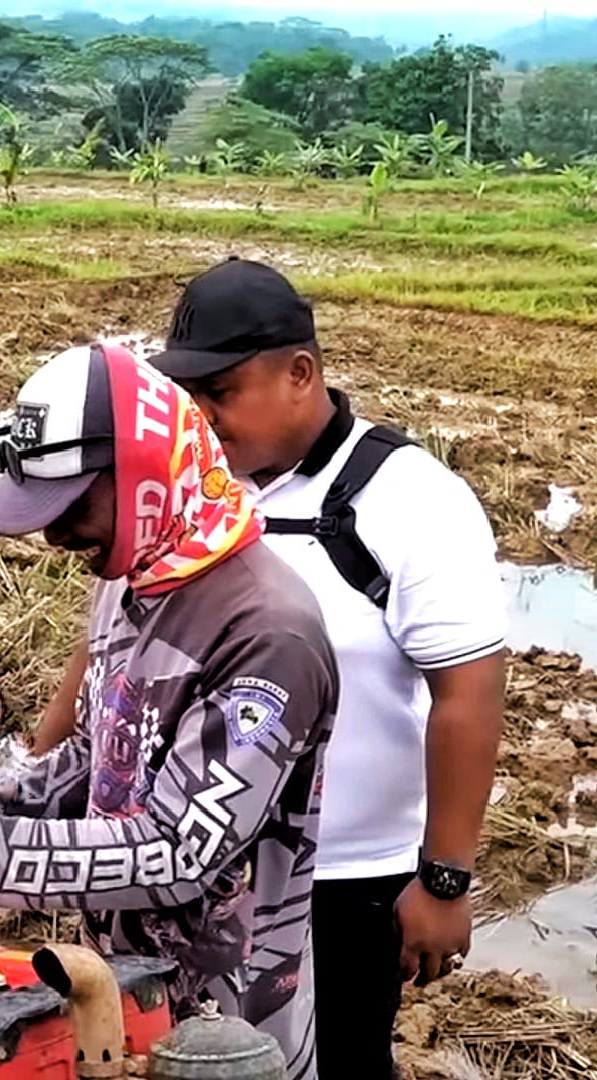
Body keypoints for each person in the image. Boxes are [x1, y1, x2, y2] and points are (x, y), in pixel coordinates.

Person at [0, 343, 337, 1079]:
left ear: (145, 475)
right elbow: (98, 754)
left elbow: (182, 853)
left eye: (71, 506)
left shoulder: (267, 633)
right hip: (117, 997)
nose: (54, 536)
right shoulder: (136, 579)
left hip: (229, 1036)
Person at [146, 259, 507, 1080]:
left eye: (221, 392)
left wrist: (444, 880)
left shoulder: (411, 499)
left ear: (300, 373)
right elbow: (113, 645)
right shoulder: (192, 492)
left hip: (346, 881)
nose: (202, 417)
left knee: (342, 1061)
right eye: (189, 396)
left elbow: (468, 695)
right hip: (194, 866)